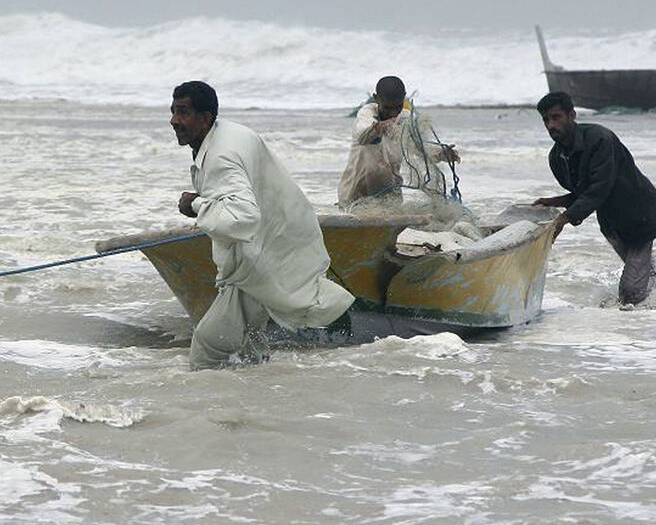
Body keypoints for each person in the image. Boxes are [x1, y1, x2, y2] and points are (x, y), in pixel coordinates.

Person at [171, 80, 354, 369]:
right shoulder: (229, 133)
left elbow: (243, 216)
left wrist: (195, 205)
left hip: (255, 255)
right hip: (278, 235)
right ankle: (258, 394)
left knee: (208, 343)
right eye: (173, 111)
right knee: (252, 337)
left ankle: (201, 404)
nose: (174, 121)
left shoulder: (221, 157)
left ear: (206, 118)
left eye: (183, 112)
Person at [532, 91, 656, 305]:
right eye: (546, 120)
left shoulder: (600, 140)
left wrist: (563, 219)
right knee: (645, 275)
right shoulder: (556, 157)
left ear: (572, 115)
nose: (551, 125)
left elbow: (599, 189)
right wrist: (553, 202)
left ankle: (639, 330)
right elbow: (583, 193)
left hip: (640, 217)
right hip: (612, 224)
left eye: (556, 117)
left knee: (630, 292)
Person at [337, 75, 459, 209]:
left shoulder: (406, 118)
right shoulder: (367, 113)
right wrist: (382, 126)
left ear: (404, 98)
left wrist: (442, 154)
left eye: (397, 107)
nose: (393, 113)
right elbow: (362, 135)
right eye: (387, 108)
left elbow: (419, 147)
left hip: (389, 197)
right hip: (355, 196)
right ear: (376, 98)